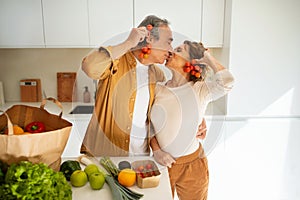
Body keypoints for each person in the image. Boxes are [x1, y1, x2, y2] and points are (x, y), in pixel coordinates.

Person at [150, 41, 234, 199]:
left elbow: (228, 82)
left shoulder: (200, 89)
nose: (171, 52)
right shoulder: (157, 89)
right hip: (162, 163)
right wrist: (157, 151)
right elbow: (149, 127)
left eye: (179, 50)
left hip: (193, 165)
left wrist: (207, 57)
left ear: (192, 62)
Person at [80, 15, 174, 156]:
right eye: (168, 42)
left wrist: (197, 120)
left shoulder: (158, 75)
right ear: (149, 39)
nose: (171, 49)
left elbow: (159, 117)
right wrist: (129, 42)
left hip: (140, 157)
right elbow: (90, 67)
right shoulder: (116, 62)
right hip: (106, 156)